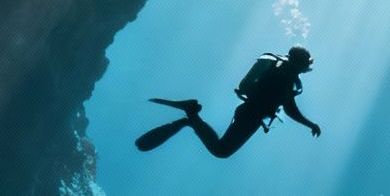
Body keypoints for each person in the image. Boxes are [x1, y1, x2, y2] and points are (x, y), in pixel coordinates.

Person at [135, 45, 321, 158]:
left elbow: (288, 107)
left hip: (250, 113)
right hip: (252, 115)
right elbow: (289, 108)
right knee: (221, 151)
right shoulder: (287, 79)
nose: (306, 70)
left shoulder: (281, 72)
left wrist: (309, 124)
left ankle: (191, 116)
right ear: (300, 63)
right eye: (306, 66)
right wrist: (310, 124)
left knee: (222, 150)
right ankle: (190, 116)